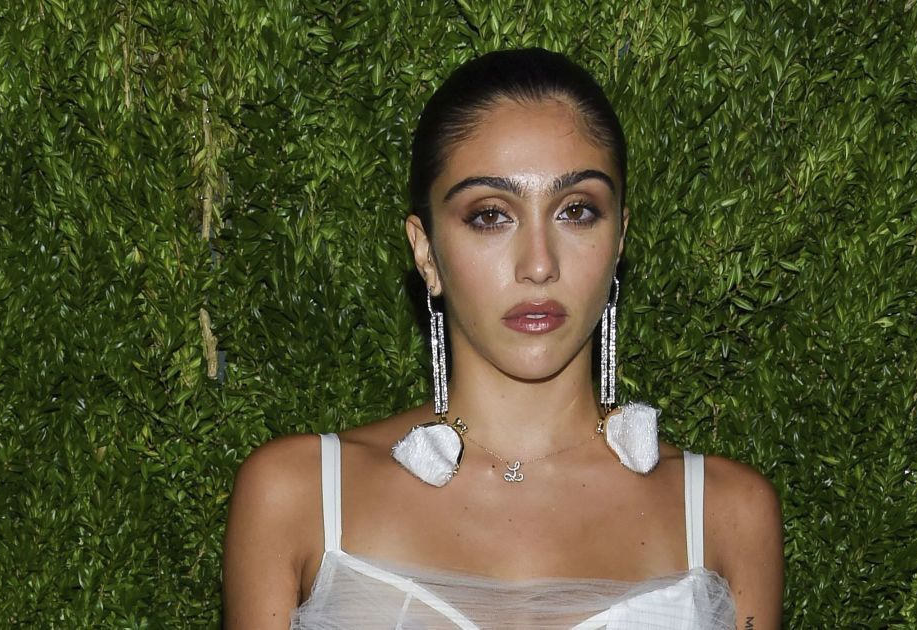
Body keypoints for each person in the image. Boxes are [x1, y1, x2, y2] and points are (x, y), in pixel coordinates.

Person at [223, 48, 783, 629]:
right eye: (491, 215)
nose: (539, 265)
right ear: (425, 251)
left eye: (576, 211)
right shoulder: (299, 497)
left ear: (619, 238)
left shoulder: (726, 515)